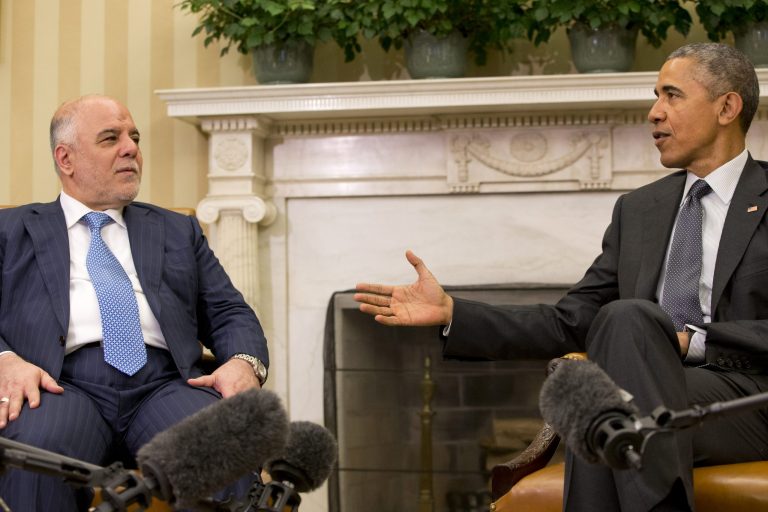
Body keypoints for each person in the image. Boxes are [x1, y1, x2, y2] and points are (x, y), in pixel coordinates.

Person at [355, 43, 768, 512]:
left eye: (672, 95)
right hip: (654, 396)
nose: (654, 113)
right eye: (655, 96)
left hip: (751, 400)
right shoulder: (640, 211)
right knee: (617, 349)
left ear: (727, 107)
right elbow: (571, 320)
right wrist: (453, 312)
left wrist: (688, 341)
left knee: (610, 383)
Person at [0, 95, 270, 511]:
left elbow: (228, 310)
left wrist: (242, 363)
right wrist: (5, 359)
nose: (131, 149)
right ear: (65, 159)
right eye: (111, 138)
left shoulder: (178, 230)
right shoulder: (11, 229)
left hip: (165, 385)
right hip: (59, 385)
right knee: (38, 458)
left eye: (134, 137)